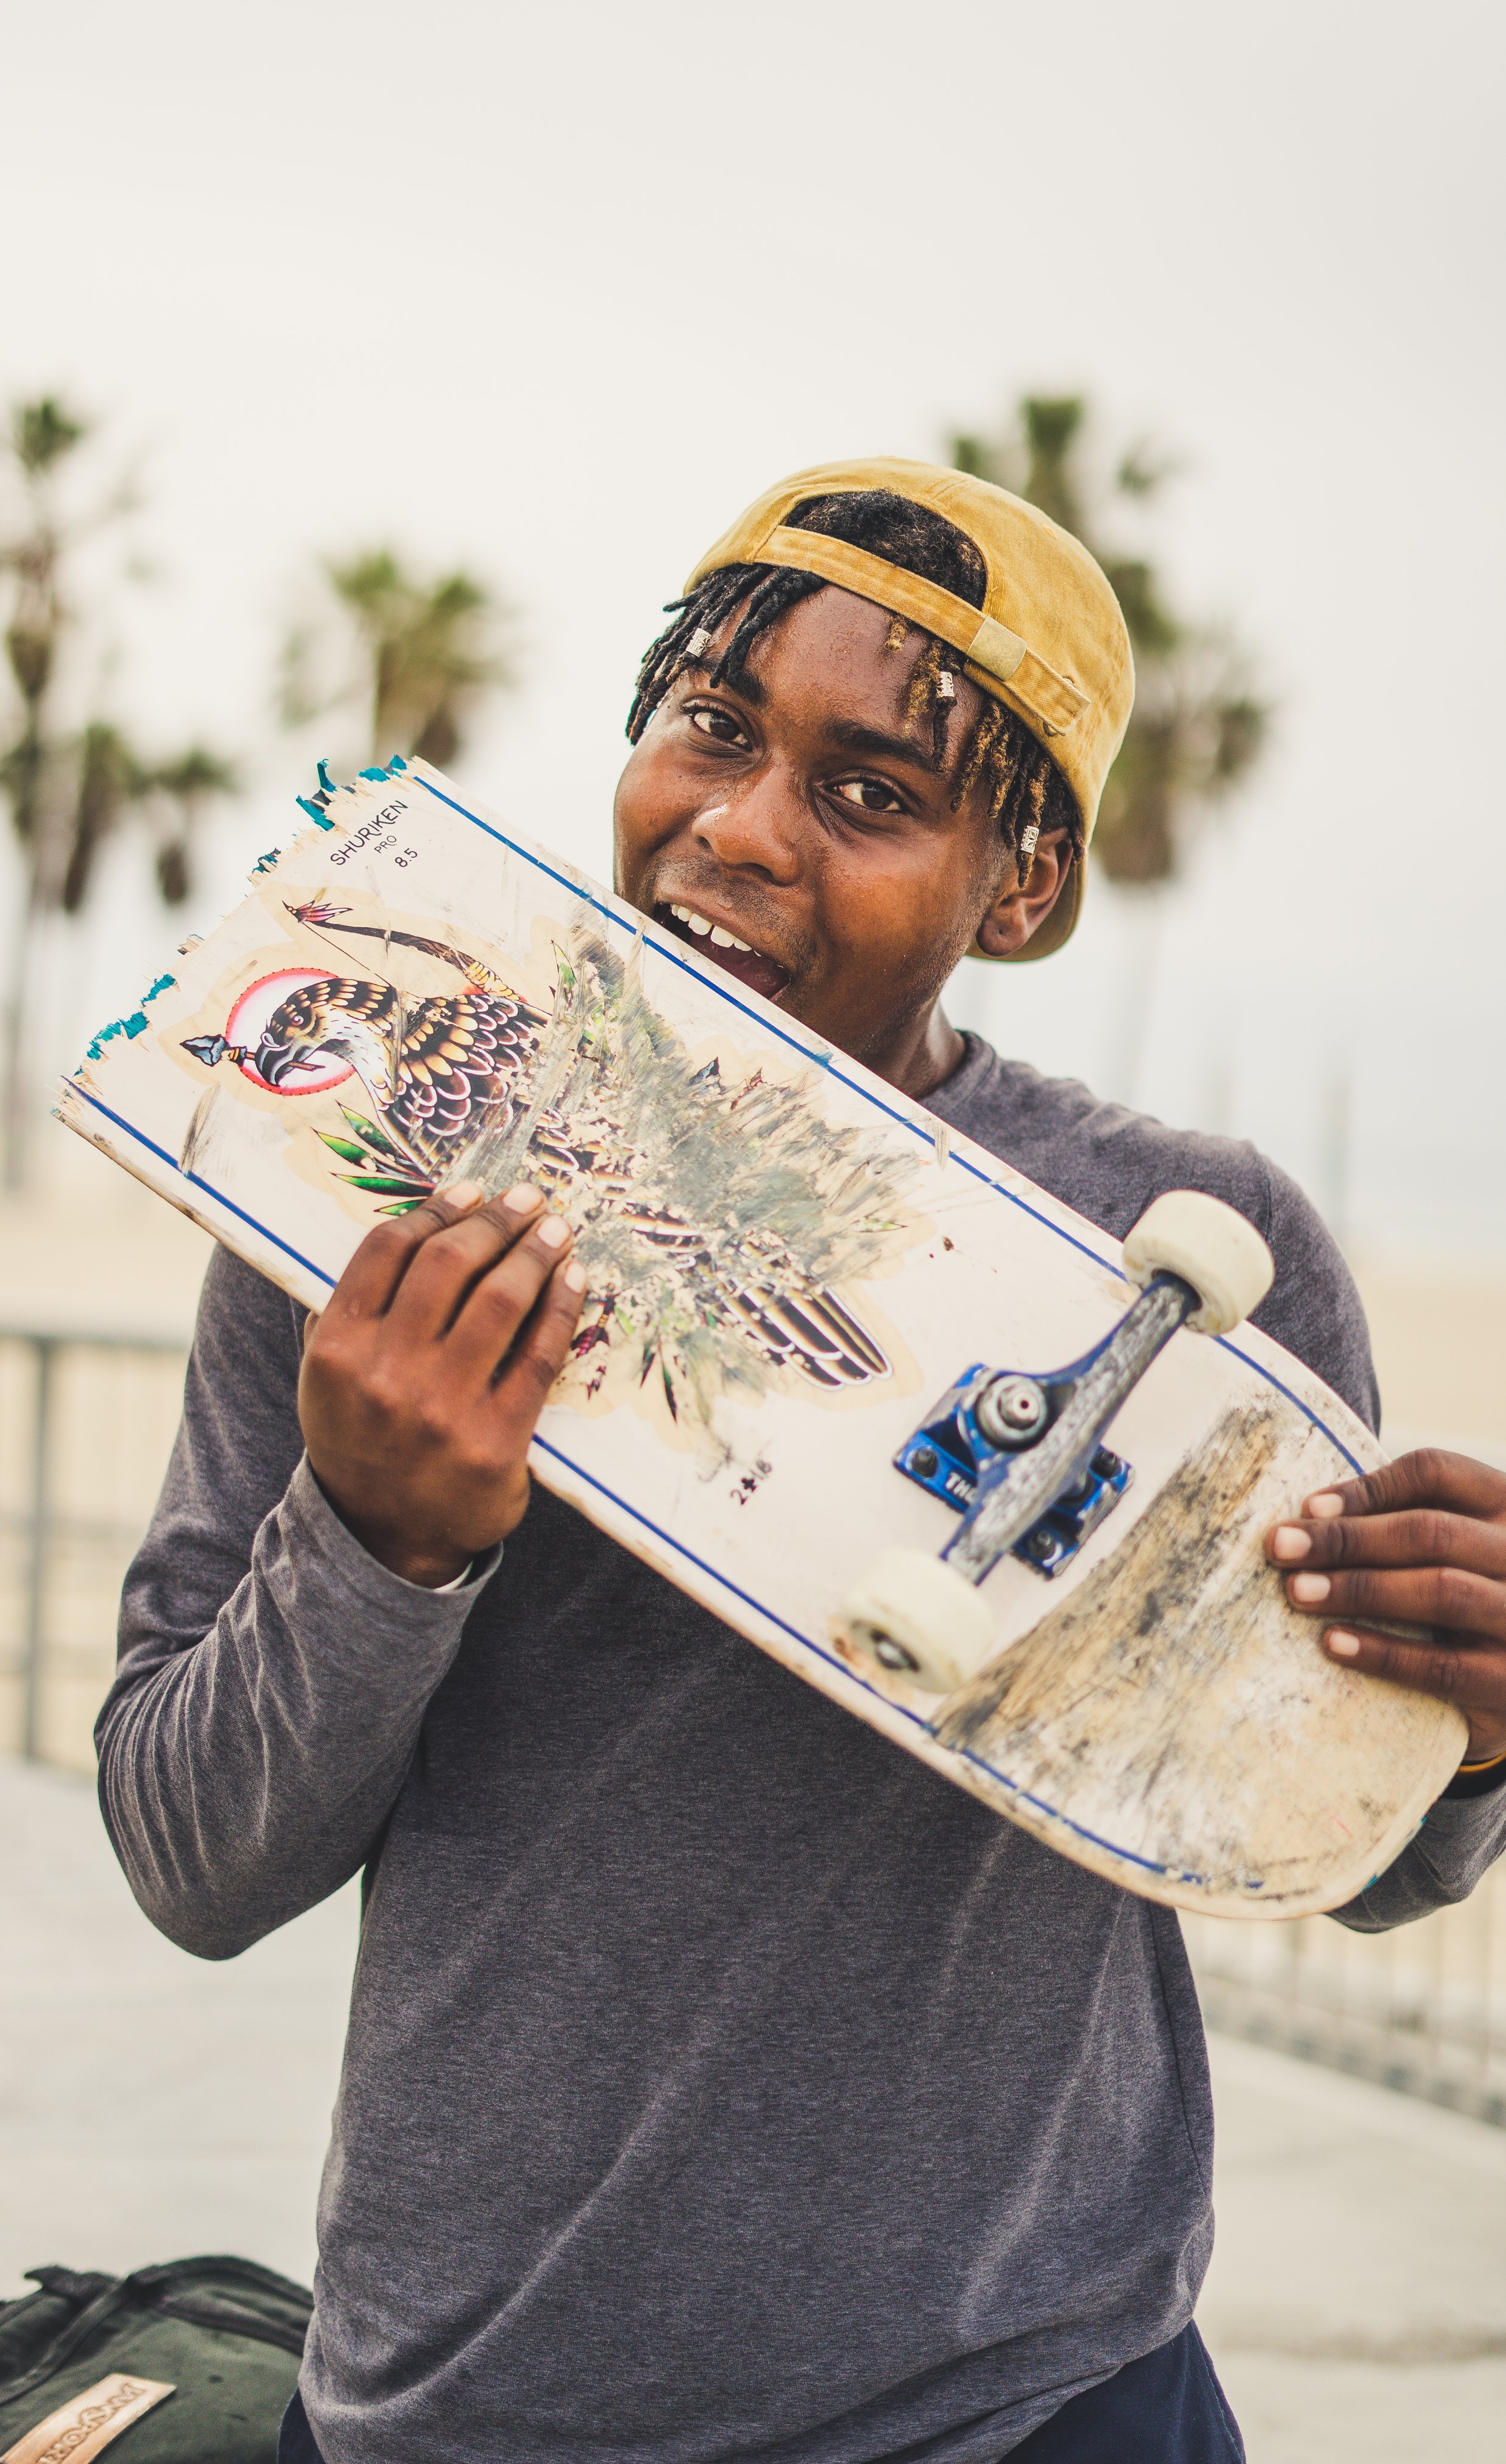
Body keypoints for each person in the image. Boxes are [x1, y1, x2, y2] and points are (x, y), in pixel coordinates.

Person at [98, 462, 1506, 2464]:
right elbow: (188, 1858)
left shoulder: (1193, 1256)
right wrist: (378, 1542)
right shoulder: (369, 1205)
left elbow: (1362, 1861)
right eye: (712, 727)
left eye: (867, 793)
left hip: (1040, 2400)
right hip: (472, 2410)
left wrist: (1464, 1730)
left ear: (1012, 888)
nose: (739, 828)